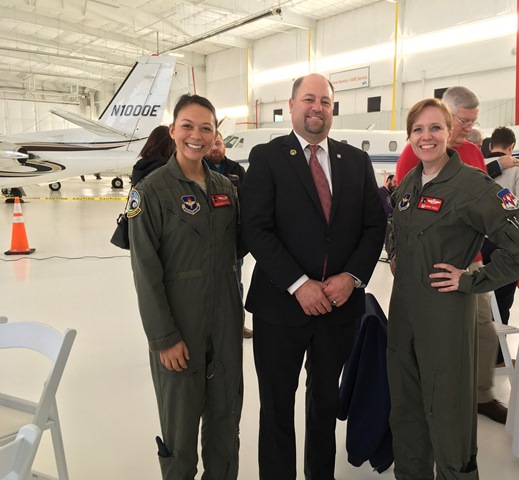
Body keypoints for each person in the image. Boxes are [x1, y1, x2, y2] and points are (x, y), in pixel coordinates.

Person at [387, 98, 519, 479]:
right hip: (403, 314)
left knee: (449, 413)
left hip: (445, 316)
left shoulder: (473, 185)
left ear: (450, 132)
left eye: (435, 128)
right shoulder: (409, 183)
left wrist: (473, 279)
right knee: (406, 411)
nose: (427, 137)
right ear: (409, 136)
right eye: (418, 129)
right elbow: (394, 226)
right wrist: (396, 253)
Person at [241, 73, 386, 480]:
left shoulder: (355, 160)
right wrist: (298, 284)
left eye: (324, 100)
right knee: (276, 407)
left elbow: (374, 227)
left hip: (338, 308)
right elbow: (256, 229)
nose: (317, 107)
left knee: (325, 404)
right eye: (308, 99)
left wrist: (352, 276)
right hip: (279, 308)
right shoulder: (268, 157)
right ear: (291, 106)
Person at [128, 94, 244, 480]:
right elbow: (145, 272)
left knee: (226, 422)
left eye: (206, 128)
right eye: (188, 126)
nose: (197, 135)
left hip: (226, 322)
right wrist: (163, 337)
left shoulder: (226, 188)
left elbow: (243, 244)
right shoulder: (151, 191)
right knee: (179, 431)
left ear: (215, 136)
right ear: (173, 131)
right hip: (180, 328)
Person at [397, 86, 514, 423]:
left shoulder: (474, 153)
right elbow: (403, 212)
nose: (468, 128)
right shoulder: (414, 154)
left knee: (483, 329)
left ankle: (478, 395)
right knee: (431, 334)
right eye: (463, 121)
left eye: (472, 122)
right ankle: (430, 398)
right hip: (429, 262)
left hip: (470, 261)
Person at [481, 127, 519, 325]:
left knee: (477, 304)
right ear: (511, 147)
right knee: (502, 302)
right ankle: (497, 353)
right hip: (507, 247)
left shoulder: (475, 166)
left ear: (490, 146)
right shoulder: (517, 168)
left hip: (477, 245)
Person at [204, 131, 253, 339]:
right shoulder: (197, 167)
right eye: (212, 144)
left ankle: (237, 323)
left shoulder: (236, 169)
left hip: (233, 239)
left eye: (219, 143)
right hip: (206, 239)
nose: (215, 148)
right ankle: (210, 326)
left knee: (235, 283)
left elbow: (248, 200)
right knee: (208, 283)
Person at [379, 174, 396, 259]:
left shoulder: (391, 193)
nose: (395, 185)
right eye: (394, 182)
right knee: (389, 226)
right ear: (388, 180)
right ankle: (390, 252)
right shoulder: (381, 192)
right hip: (382, 219)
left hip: (390, 218)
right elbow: (386, 207)